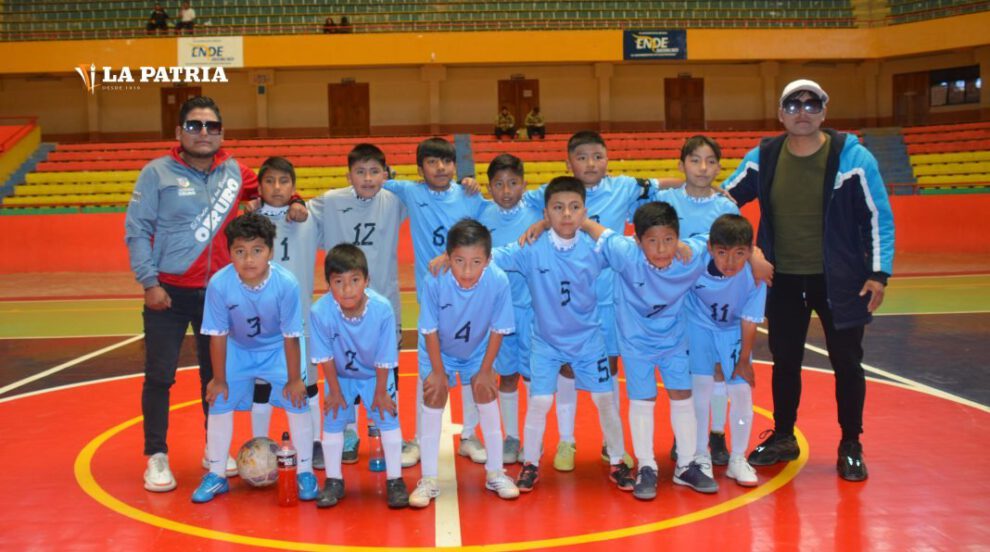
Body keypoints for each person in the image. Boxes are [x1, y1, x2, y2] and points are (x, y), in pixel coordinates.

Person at [125, 95, 305, 493]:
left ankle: (213, 450)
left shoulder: (235, 172)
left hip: (219, 295)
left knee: (215, 376)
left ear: (221, 133)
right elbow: (137, 230)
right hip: (168, 295)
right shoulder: (156, 174)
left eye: (210, 126)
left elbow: (275, 186)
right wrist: (149, 282)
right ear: (179, 132)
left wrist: (295, 200)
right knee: (160, 376)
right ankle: (156, 456)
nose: (202, 132)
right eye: (194, 125)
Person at [723, 79, 895, 482]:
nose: (803, 111)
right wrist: (752, 251)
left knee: (847, 362)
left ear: (824, 111)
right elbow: (723, 201)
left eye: (811, 104)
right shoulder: (763, 156)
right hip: (782, 279)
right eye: (793, 105)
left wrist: (878, 274)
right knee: (785, 361)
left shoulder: (854, 158)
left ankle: (851, 442)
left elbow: (878, 218)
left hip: (841, 280)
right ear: (781, 114)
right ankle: (784, 435)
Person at [521, 130, 659, 472]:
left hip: (609, 298)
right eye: (581, 157)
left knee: (608, 368)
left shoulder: (625, 187)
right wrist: (540, 222)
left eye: (597, 156)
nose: (591, 163)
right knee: (567, 368)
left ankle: (609, 444)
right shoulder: (548, 191)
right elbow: (512, 201)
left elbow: (664, 184)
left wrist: (711, 187)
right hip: (565, 300)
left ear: (608, 159)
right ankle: (566, 440)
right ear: (568, 163)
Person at [492, 177, 635, 494]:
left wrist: (592, 228)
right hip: (546, 343)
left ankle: (617, 461)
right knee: (540, 401)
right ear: (546, 213)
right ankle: (530, 463)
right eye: (558, 208)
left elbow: (627, 253)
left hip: (588, 341)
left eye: (574, 208)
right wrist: (450, 257)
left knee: (604, 399)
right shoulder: (530, 248)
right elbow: (490, 256)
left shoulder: (595, 248)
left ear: (585, 211)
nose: (566, 215)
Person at [579, 202, 718, 500]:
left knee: (682, 395)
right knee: (643, 399)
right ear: (637, 241)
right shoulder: (625, 253)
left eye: (669, 239)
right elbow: (593, 227)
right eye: (652, 241)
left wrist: (756, 258)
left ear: (678, 237)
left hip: (674, 342)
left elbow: (724, 237)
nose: (661, 249)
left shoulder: (690, 254)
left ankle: (686, 465)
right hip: (635, 343)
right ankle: (646, 466)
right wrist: (542, 224)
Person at [192, 213, 318, 503]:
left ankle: (304, 472)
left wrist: (295, 379)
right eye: (240, 251)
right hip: (238, 349)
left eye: (257, 250)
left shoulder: (286, 284)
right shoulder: (220, 284)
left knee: (297, 399)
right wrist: (219, 378)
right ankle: (217, 474)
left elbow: (290, 336)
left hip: (277, 348)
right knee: (219, 399)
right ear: (230, 253)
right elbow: (218, 335)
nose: (249, 259)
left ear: (270, 252)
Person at [307, 143, 414, 467]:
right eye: (360, 171)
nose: (367, 178)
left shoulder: (395, 200)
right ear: (348, 174)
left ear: (386, 172)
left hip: (383, 304)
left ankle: (380, 427)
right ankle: (349, 431)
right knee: (344, 364)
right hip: (343, 302)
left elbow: (431, 195)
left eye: (374, 171)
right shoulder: (331, 201)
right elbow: (296, 210)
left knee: (385, 365)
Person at [384, 138, 486, 467]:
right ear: (420, 169)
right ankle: (416, 439)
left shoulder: (470, 195)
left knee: (472, 364)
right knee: (428, 369)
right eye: (432, 162)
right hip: (432, 294)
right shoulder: (411, 192)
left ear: (455, 166)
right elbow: (375, 180)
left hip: (470, 291)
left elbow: (483, 235)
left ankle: (470, 435)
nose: (440, 168)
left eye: (446, 162)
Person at [410, 220, 520, 508]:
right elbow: (429, 330)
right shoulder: (435, 278)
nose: (467, 271)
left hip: (477, 350)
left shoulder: (497, 280)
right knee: (434, 395)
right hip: (439, 350)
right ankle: (429, 478)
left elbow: (499, 328)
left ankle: (496, 472)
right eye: (459, 261)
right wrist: (436, 371)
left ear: (488, 259)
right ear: (447, 258)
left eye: (476, 262)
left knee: (486, 392)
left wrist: (485, 371)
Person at [656, 135, 741, 466]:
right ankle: (685, 434)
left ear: (719, 167)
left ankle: (716, 433)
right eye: (695, 160)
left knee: (718, 369)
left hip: (716, 300)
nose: (702, 168)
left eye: (710, 161)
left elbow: (737, 250)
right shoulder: (667, 201)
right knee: (685, 370)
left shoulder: (726, 207)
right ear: (681, 166)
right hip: (676, 299)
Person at [309, 244, 409, 509]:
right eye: (338, 282)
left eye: (355, 280)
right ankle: (333, 479)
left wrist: (380, 392)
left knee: (387, 416)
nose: (347, 289)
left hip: (375, 375)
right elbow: (325, 356)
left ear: (367, 280)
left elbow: (386, 355)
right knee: (332, 418)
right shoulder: (320, 312)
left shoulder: (382, 309)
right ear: (328, 283)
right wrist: (334, 390)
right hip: (340, 376)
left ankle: (395, 479)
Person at [249, 157, 323, 470]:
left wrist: (299, 202)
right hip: (263, 322)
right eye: (269, 181)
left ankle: (316, 442)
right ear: (259, 186)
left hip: (300, 320)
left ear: (294, 186)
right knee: (262, 384)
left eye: (284, 182)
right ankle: (258, 446)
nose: (277, 188)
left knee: (307, 384)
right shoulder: (250, 221)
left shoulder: (308, 217)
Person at [686, 214, 766, 488]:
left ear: (750, 251)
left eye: (739, 253)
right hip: (699, 327)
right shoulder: (694, 263)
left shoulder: (756, 275)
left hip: (733, 330)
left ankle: (737, 459)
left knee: (742, 391)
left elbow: (750, 320)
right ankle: (700, 454)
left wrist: (744, 360)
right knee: (701, 388)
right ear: (710, 248)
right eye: (722, 253)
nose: (730, 262)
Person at [476, 154, 543, 464]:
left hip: (531, 309)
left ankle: (533, 437)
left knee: (532, 377)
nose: (506, 191)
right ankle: (512, 436)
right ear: (489, 187)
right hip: (498, 311)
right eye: (499, 184)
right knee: (507, 376)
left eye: (513, 183)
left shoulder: (536, 213)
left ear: (524, 185)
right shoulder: (482, 215)